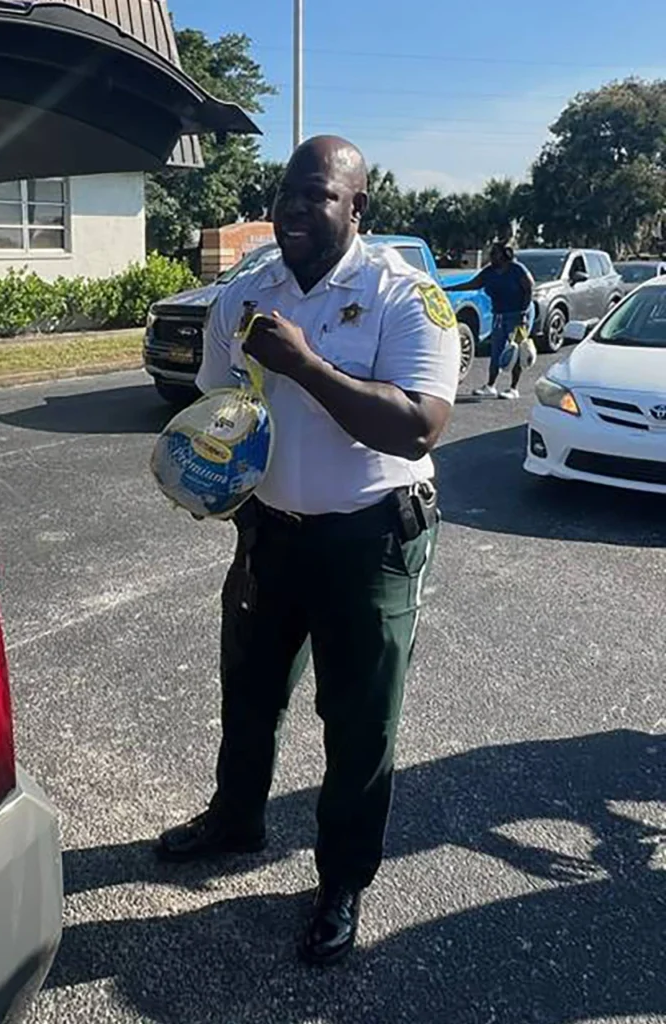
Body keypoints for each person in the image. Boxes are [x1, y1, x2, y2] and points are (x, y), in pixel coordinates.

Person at [155, 136, 460, 966]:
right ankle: (236, 820)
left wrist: (304, 363)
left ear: (357, 207)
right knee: (249, 691)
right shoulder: (245, 292)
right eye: (286, 193)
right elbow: (221, 403)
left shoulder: (407, 296)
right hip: (269, 534)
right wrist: (210, 480)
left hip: (370, 539)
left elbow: (418, 425)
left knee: (359, 722)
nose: (293, 208)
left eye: (316, 195)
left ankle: (341, 881)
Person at [446, 242, 534, 399]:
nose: (491, 256)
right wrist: (449, 289)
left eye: (494, 253)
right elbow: (473, 284)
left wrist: (523, 312)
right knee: (496, 352)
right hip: (499, 316)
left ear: (504, 254)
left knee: (517, 351)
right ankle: (490, 385)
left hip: (517, 317)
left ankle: (513, 388)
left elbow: (529, 287)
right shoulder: (489, 272)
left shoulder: (517, 270)